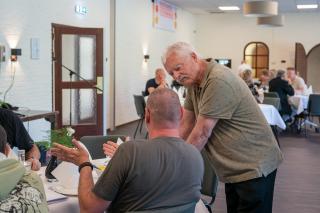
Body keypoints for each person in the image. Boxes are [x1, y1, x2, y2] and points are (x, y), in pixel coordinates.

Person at [162, 42, 283, 213]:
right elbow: (186, 124)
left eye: (178, 68)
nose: (176, 76)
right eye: (171, 73)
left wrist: (177, 166)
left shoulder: (217, 79)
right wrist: (166, 154)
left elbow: (201, 133)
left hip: (254, 165)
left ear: (194, 57)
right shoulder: (193, 84)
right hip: (233, 167)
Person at [51, 88, 204, 213]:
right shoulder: (195, 155)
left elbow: (89, 209)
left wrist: (84, 164)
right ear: (182, 113)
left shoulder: (130, 152)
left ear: (147, 115)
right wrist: (125, 157)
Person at [0, 125, 48, 212]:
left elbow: (31, 147)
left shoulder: (8, 117)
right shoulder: (32, 178)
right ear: (7, 149)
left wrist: (33, 159)